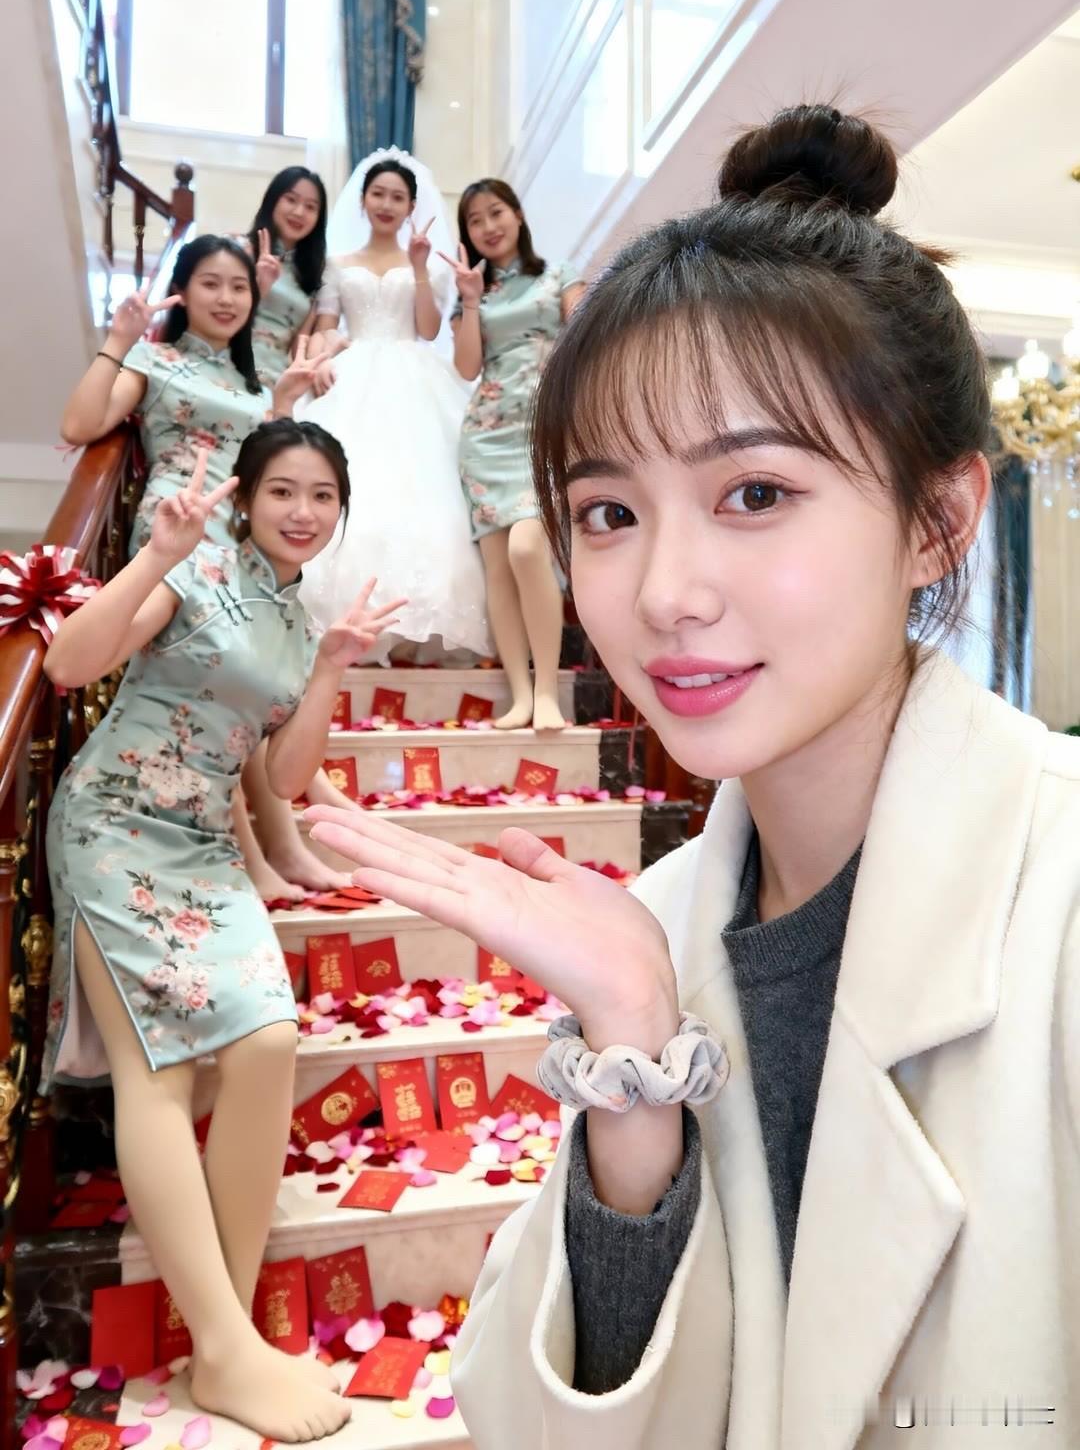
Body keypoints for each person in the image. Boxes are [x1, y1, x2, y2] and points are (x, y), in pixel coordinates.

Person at [303, 106, 1080, 1447]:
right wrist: (633, 1088)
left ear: (940, 521)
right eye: (608, 513)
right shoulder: (652, 931)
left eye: (755, 494)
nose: (664, 593)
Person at [43, 423, 402, 1443]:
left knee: (270, 1042)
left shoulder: (299, 621)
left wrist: (329, 669)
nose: (303, 511)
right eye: (283, 489)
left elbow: (284, 777)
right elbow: (67, 664)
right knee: (155, 1071)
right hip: (116, 828)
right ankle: (225, 1344)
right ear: (244, 497)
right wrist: (155, 553)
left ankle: (226, 1344)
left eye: (323, 495)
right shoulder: (193, 567)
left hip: (204, 846)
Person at [60, 237, 348, 902]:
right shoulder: (156, 359)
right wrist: (120, 340)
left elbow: (270, 467)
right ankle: (253, 857)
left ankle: (281, 847)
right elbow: (79, 425)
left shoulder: (256, 379)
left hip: (249, 541)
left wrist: (280, 405)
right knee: (208, 686)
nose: (226, 298)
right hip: (181, 531)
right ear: (183, 291)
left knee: (247, 685)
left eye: (239, 286)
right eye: (210, 283)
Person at [297, 149, 491, 662]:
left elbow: (427, 329)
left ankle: (413, 625)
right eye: (378, 194)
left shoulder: (424, 263)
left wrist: (420, 268)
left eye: (397, 197)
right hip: (352, 372)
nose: (387, 203)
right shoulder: (337, 265)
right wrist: (321, 358)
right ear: (363, 201)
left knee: (422, 489)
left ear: (410, 207)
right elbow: (325, 327)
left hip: (413, 373)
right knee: (354, 484)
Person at [442, 178, 585, 730]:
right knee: (498, 570)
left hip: (543, 430)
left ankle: (547, 690)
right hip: (486, 437)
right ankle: (520, 696)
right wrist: (470, 301)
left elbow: (586, 334)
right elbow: (467, 367)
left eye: (495, 212)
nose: (488, 226)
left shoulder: (559, 275)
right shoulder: (473, 292)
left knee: (529, 548)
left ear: (518, 215)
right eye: (475, 220)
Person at [246, 165, 329, 388]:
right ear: (273, 200)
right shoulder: (242, 251)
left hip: (277, 375)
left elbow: (298, 346)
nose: (299, 212)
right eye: (291, 200)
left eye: (310, 207)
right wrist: (259, 285)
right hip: (235, 359)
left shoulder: (312, 276)